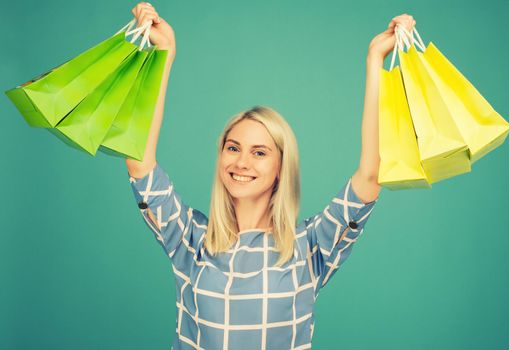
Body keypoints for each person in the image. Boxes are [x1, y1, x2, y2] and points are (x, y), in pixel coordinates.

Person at [126, 2, 415, 349]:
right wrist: (164, 55)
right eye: (233, 148)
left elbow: (371, 176)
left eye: (259, 152)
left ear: (282, 167)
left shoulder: (309, 247)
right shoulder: (190, 238)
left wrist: (374, 61)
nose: (241, 162)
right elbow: (140, 162)